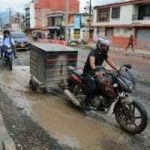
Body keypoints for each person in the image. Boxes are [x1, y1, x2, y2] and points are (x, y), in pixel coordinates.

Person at [83, 36, 117, 110]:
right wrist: (95, 70)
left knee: (108, 84)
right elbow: (92, 63)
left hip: (98, 72)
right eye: (104, 46)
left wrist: (117, 69)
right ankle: (86, 102)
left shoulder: (104, 53)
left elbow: (109, 61)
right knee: (93, 87)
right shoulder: (93, 52)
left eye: (106, 46)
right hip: (88, 72)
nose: (105, 47)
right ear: (99, 45)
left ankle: (102, 103)